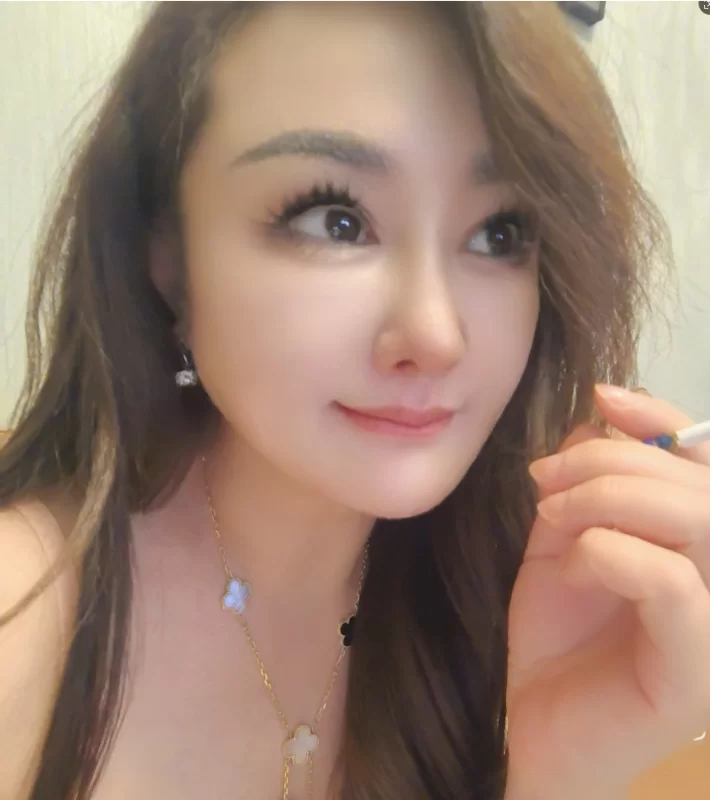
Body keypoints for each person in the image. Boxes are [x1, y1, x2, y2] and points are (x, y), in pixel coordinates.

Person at [1, 2, 709, 799]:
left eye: (501, 233)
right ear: (167, 262)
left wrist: (564, 773)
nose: (436, 334)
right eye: (335, 220)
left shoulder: (506, 596)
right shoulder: (25, 623)